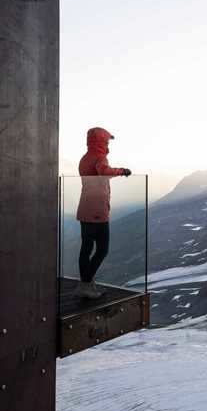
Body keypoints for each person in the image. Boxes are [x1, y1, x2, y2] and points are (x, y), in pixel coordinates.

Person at [75, 127, 131, 299]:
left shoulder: (84, 158)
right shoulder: (100, 157)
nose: (108, 144)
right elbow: (104, 171)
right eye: (106, 141)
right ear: (100, 141)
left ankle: (87, 283)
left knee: (86, 248)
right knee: (102, 249)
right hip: (97, 210)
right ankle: (85, 284)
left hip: (85, 208)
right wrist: (122, 171)